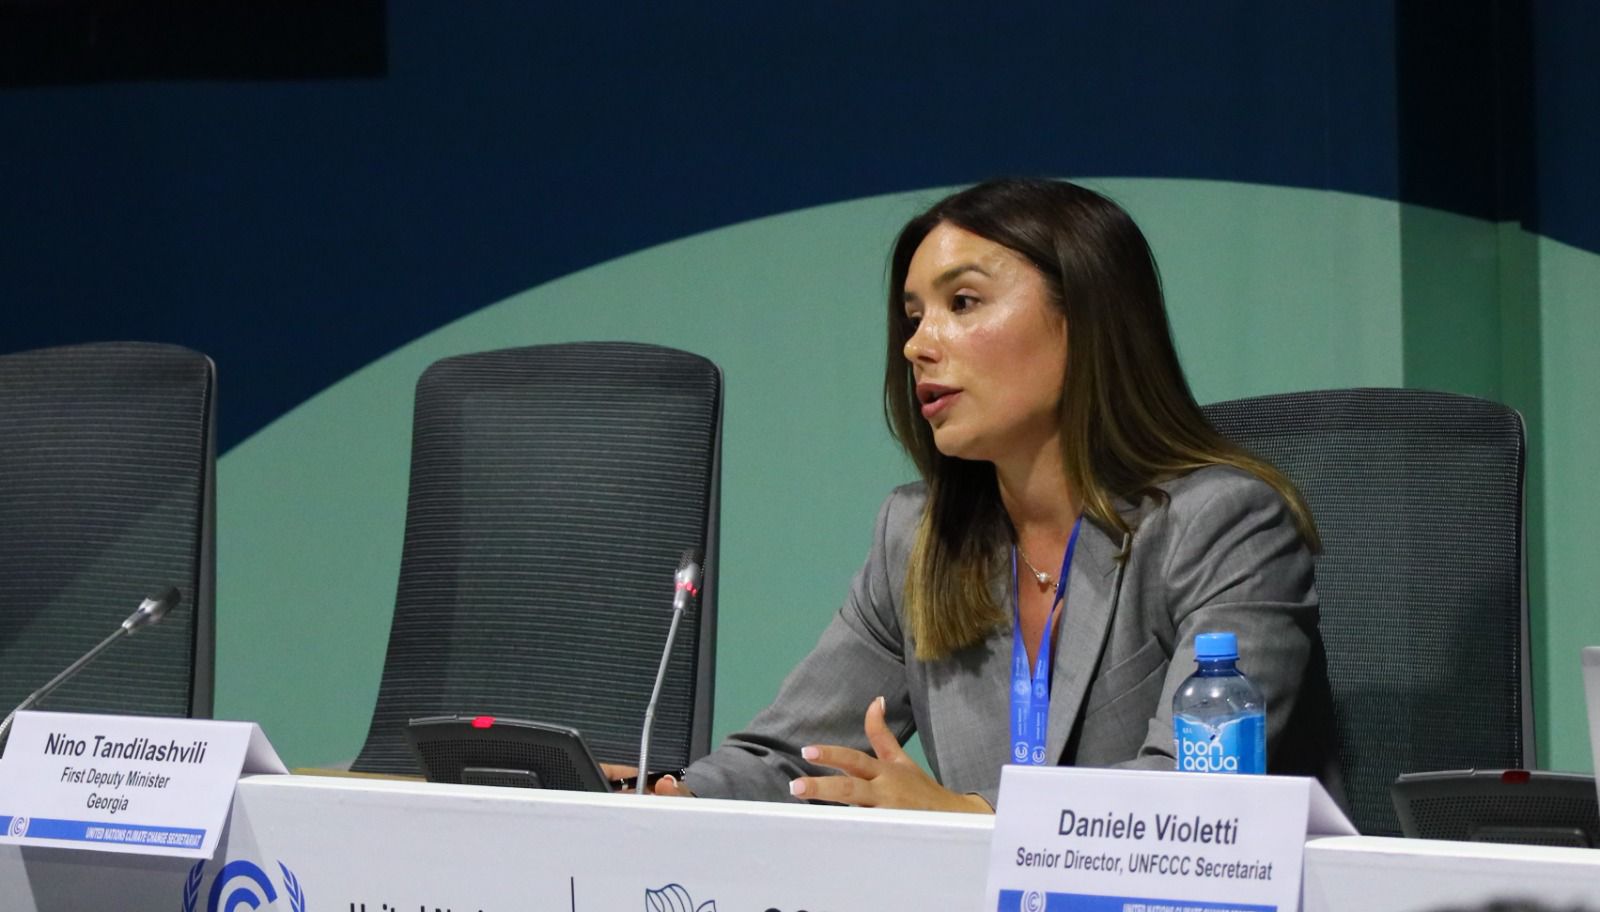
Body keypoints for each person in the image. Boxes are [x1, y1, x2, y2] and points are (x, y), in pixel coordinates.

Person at [619, 177, 1339, 811]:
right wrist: (668, 795)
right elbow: (794, 760)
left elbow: (1196, 794)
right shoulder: (918, 536)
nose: (917, 345)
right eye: (914, 316)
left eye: (962, 302)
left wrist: (972, 816)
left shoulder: (1223, 524)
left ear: (1085, 320)